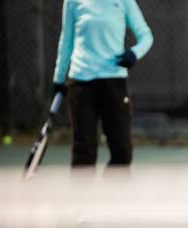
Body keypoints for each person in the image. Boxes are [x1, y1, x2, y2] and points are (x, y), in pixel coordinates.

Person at [53, 0, 154, 169]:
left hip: (114, 82)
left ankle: (113, 194)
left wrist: (134, 54)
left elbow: (146, 36)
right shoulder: (72, 2)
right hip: (81, 83)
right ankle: (83, 195)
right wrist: (59, 78)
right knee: (83, 150)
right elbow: (66, 40)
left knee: (122, 151)